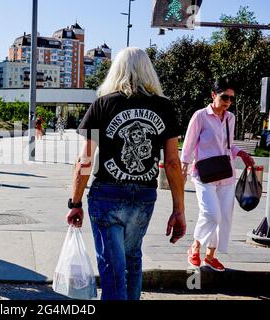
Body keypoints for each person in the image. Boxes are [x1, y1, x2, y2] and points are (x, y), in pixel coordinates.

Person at [66, 47, 186, 300]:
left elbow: (84, 160)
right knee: (132, 261)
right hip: (144, 196)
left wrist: (75, 203)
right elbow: (173, 163)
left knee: (112, 269)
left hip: (107, 194)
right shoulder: (164, 107)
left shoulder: (103, 104)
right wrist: (179, 210)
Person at [181, 77, 255, 272]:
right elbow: (188, 145)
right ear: (213, 95)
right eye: (224, 97)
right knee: (211, 214)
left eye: (231, 99)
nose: (228, 102)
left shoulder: (230, 118)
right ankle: (195, 246)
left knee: (224, 217)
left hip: (226, 174)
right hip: (204, 174)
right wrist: (183, 168)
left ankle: (210, 256)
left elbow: (227, 145)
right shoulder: (200, 116)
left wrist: (241, 153)